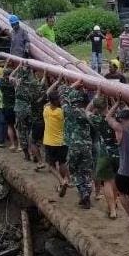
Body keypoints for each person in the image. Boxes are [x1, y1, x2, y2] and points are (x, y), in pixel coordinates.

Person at [50, 77, 94, 208]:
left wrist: (75, 84)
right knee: (86, 171)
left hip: (73, 146)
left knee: (75, 171)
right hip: (86, 146)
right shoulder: (85, 113)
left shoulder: (66, 109)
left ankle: (83, 193)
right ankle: (87, 194)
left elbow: (62, 92)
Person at [106, 102, 129, 227]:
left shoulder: (120, 129)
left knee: (123, 194)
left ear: (122, 119)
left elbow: (108, 118)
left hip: (124, 171)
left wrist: (116, 103)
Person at [88, 94, 120, 219]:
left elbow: (87, 110)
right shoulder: (117, 118)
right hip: (117, 152)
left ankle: (112, 210)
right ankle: (116, 201)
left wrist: (96, 94)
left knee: (107, 181)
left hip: (104, 153)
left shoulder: (96, 119)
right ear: (107, 105)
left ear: (96, 108)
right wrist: (114, 101)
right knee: (116, 180)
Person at [12, 61, 44, 162]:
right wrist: (45, 75)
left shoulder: (17, 82)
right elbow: (41, 87)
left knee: (21, 132)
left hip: (20, 111)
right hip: (30, 111)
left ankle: (26, 155)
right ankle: (35, 155)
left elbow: (10, 77)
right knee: (31, 133)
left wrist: (18, 67)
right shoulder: (33, 83)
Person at [41, 88, 71, 195]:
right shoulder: (62, 112)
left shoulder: (46, 110)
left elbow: (48, 100)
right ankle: (67, 180)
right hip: (62, 142)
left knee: (51, 165)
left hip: (50, 142)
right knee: (62, 162)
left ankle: (62, 181)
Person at [0, 64, 19, 152]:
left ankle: (13, 145)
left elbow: (3, 76)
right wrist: (18, 67)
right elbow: (12, 78)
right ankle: (20, 146)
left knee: (10, 126)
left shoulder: (1, 83)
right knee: (17, 127)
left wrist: (6, 64)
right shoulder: (14, 84)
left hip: (6, 107)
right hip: (15, 107)